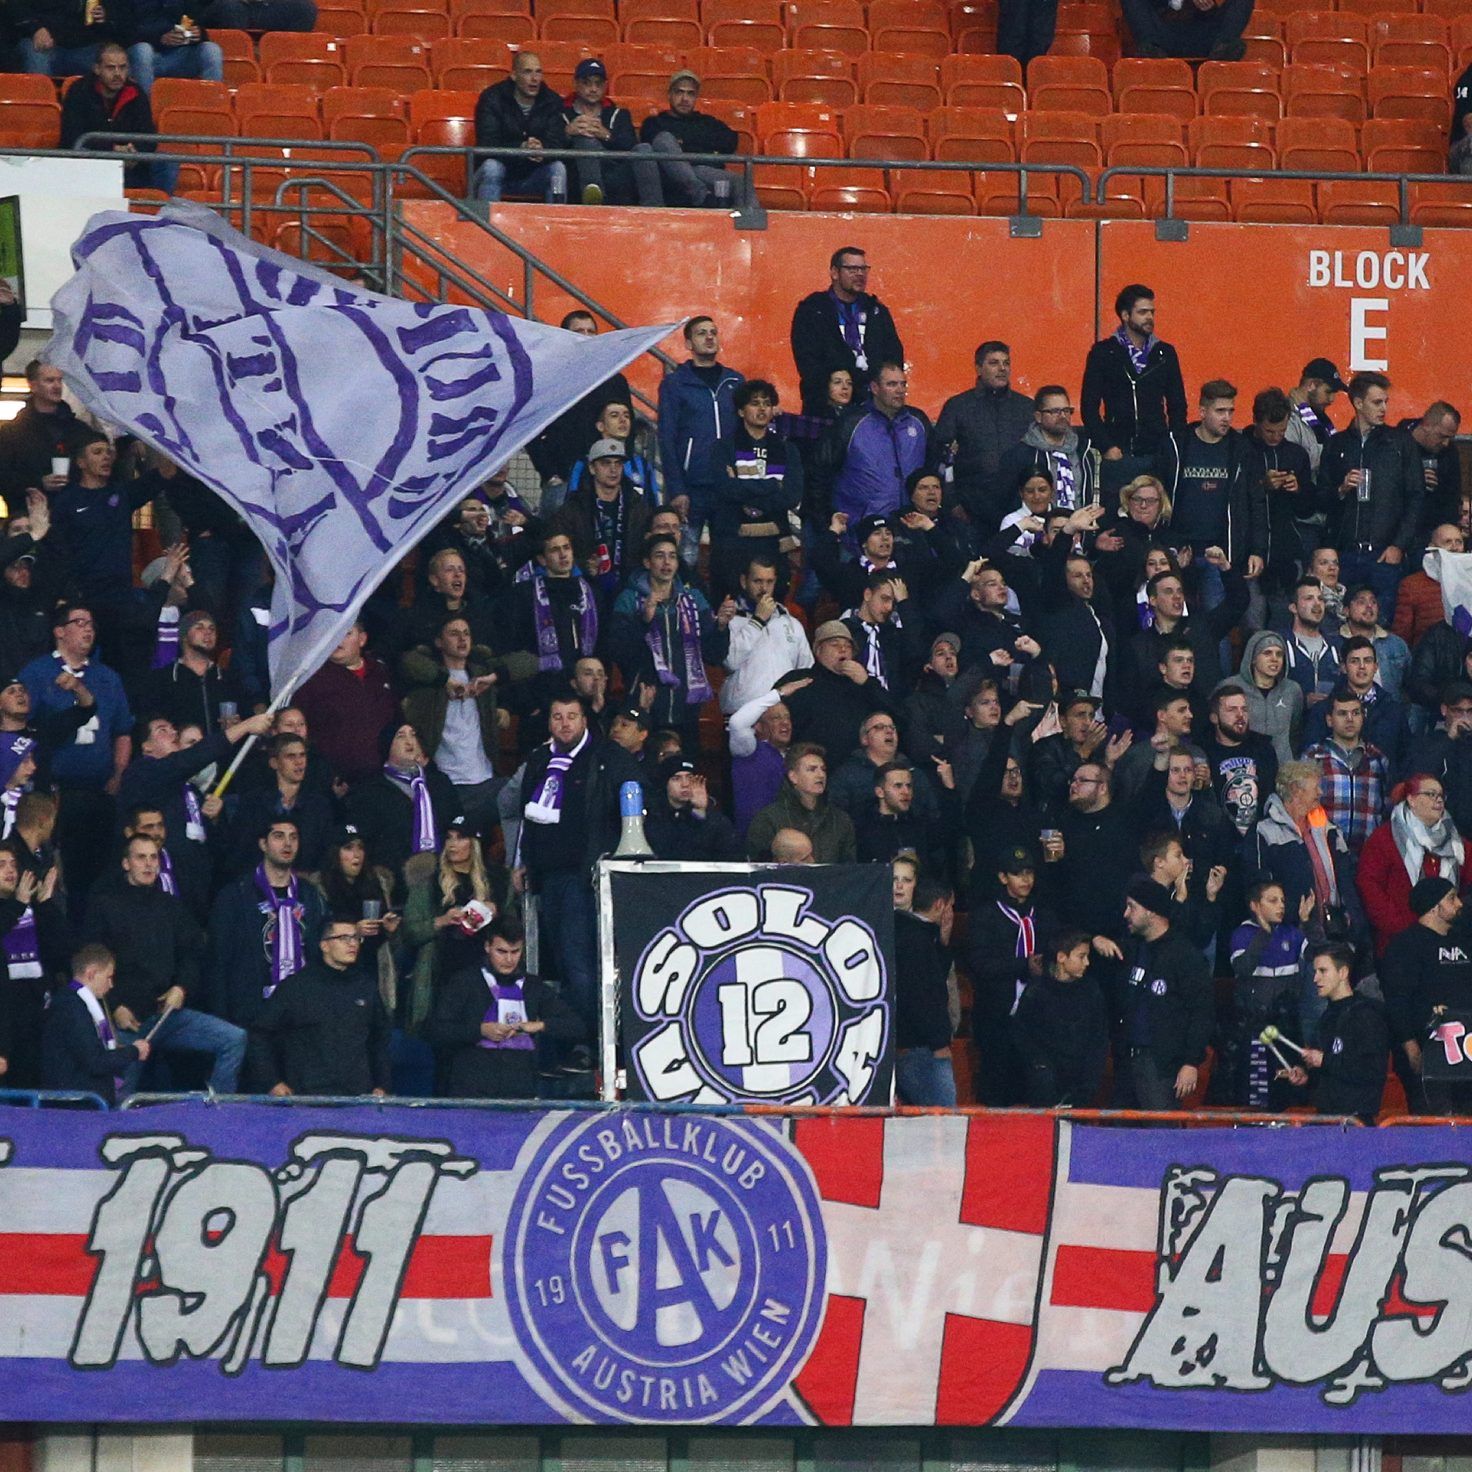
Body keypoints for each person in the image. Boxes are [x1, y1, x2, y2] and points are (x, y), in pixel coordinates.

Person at [514, 692, 637, 1062]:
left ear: (585, 720)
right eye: (557, 716)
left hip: (586, 880)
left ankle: (593, 1043)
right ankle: (574, 1042)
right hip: (548, 879)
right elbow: (527, 820)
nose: (564, 723)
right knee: (563, 966)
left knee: (581, 966)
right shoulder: (539, 759)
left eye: (571, 716)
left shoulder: (608, 758)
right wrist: (523, 863)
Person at [85, 830, 245, 1095]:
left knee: (234, 1039)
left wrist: (181, 988)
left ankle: (218, 1114)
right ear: (126, 864)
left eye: (153, 857)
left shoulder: (171, 906)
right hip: (125, 1021)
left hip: (167, 1016)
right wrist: (114, 1007)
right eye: (141, 858)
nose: (149, 864)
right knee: (120, 1097)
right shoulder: (104, 905)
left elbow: (193, 953)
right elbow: (89, 965)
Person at [20, 602, 133, 915]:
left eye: (92, 624)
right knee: (53, 875)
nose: (88, 629)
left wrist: (118, 773)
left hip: (98, 793)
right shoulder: (38, 672)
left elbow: (123, 731)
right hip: (54, 795)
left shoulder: (107, 677)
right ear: (59, 631)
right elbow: (20, 726)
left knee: (93, 876)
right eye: (79, 622)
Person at [204, 816, 327, 1077]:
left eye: (293, 837)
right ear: (262, 843)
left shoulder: (310, 894)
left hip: (299, 1013)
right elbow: (218, 961)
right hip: (251, 1012)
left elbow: (317, 950)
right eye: (279, 836)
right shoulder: (235, 895)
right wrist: (223, 1018)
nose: (288, 843)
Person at [426, 914, 582, 1100]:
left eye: (515, 952)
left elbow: (576, 1026)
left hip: (519, 1092)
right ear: (487, 947)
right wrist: (480, 1030)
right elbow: (435, 1030)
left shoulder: (533, 986)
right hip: (471, 1091)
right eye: (501, 951)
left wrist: (539, 1025)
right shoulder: (464, 982)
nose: (509, 959)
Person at [249, 919, 391, 1098]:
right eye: (344, 938)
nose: (352, 943)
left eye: (356, 938)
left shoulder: (365, 986)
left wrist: (382, 1085)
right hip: (307, 1097)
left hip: (358, 1097)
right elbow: (260, 1034)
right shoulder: (296, 987)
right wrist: (272, 1082)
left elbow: (379, 1038)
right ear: (324, 945)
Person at [610, 532, 730, 742]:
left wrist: (720, 627)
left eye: (672, 556)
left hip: (687, 707)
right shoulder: (629, 600)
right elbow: (620, 652)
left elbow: (713, 655)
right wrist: (644, 621)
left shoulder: (694, 599)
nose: (667, 562)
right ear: (647, 562)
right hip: (646, 705)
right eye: (659, 556)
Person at [1318, 370, 1424, 606]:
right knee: (1339, 620)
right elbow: (1321, 498)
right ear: (1358, 403)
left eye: (1386, 402)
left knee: (1381, 621)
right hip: (1344, 553)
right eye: (1377, 402)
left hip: (1384, 554)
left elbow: (1416, 497)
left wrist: (1399, 544)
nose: (1384, 408)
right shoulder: (1337, 444)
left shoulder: (1400, 443)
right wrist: (1341, 489)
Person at [1153, 378, 1267, 587]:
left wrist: (1257, 551)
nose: (1227, 418)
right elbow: (1157, 496)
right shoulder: (1175, 446)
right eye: (1220, 411)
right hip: (1179, 549)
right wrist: (1168, 544)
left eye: (1230, 411)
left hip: (1221, 552)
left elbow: (1257, 504)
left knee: (1219, 615)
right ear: (1203, 412)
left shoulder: (1242, 449)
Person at [402, 815, 504, 1039]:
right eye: (448, 838)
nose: (452, 844)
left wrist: (495, 913)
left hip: (485, 974)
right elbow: (409, 933)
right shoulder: (429, 885)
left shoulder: (496, 882)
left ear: (474, 844)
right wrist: (442, 921)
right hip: (443, 975)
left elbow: (513, 931)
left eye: (460, 838)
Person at [1080, 284, 1188, 495]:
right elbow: (1088, 407)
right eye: (1142, 312)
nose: (1149, 317)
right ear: (1125, 315)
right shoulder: (1104, 352)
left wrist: (1173, 445)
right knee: (1117, 516)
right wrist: (1107, 446)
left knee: (1157, 515)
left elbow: (1177, 405)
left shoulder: (1164, 353)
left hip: (1157, 453)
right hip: (1119, 453)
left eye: (1152, 312)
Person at [968, 845, 1055, 1105]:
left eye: (1029, 872)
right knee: (997, 1089)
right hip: (997, 1016)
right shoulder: (986, 917)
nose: (1026, 880)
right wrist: (1023, 965)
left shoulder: (1043, 916)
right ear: (1003, 877)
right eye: (1018, 874)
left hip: (1036, 1016)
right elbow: (980, 964)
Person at [1118, 876, 1214, 1109]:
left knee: (1159, 1137)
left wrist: (1191, 1062)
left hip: (1162, 1066)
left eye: (1132, 907)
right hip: (1127, 1062)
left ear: (1151, 911)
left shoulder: (1185, 956)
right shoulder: (1133, 949)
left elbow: (1202, 1012)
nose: (1125, 914)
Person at [400, 614, 503, 832]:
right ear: (439, 642)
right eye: (454, 634)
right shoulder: (429, 681)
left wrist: (494, 678)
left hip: (485, 780)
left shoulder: (481, 674)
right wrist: (444, 681)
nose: (462, 639)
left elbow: (531, 662)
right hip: (447, 784)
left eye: (466, 633)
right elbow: (407, 660)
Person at [1381, 876, 1472, 1114]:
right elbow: (1397, 1001)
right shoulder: (1405, 946)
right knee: (1433, 1122)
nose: (1459, 904)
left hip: (1467, 1054)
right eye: (1451, 899)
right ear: (1433, 907)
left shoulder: (1464, 941)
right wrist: (1411, 1049)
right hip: (1429, 1053)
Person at [656, 318, 743, 563]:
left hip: (728, 486)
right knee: (686, 557)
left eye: (713, 332)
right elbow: (667, 437)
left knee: (727, 559)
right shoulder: (675, 384)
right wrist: (677, 489)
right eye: (701, 333)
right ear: (688, 343)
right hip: (692, 487)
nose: (709, 337)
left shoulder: (735, 382)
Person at [1357, 773, 1471, 957]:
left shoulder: (1457, 842)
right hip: (1399, 941)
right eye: (1431, 794)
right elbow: (1369, 887)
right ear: (1411, 799)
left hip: (1447, 942)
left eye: (1441, 795)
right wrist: (1402, 927)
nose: (1438, 800)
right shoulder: (1384, 839)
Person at [709, 381, 804, 601]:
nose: (762, 409)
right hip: (733, 541)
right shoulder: (723, 447)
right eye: (754, 403)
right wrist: (772, 486)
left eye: (767, 404)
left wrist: (742, 488)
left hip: (773, 543)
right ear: (741, 411)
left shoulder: (787, 449)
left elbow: (791, 495)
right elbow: (725, 489)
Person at [1224, 878, 1313, 1109]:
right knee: (1254, 1098)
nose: (1281, 906)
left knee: (1286, 1095)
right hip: (1254, 1030)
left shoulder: (1293, 934)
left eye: (1282, 901)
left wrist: (1307, 923)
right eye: (1272, 900)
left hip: (1287, 1029)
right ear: (1254, 905)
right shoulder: (1242, 934)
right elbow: (1243, 969)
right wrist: (1264, 935)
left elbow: (1318, 956)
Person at [1278, 943, 1389, 1123]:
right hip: (1327, 1119)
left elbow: (1371, 1071)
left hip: (1355, 1123)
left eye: (1323, 971)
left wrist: (1324, 1060)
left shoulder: (1366, 1016)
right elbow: (1327, 1074)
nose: (1315, 978)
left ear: (1343, 973)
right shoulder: (1327, 1017)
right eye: (1315, 971)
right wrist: (1306, 1077)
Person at [790, 247, 906, 419]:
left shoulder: (876, 310)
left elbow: (893, 356)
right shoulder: (813, 310)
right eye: (852, 269)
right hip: (827, 410)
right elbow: (808, 362)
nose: (860, 274)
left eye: (863, 269)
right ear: (835, 272)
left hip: (874, 407)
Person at [1250, 760, 1359, 941]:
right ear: (1295, 790)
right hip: (1288, 934)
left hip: (1335, 931)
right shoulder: (1264, 832)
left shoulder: (1328, 828)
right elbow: (1258, 885)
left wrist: (1353, 917)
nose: (1320, 792)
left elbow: (1347, 877)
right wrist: (1292, 915)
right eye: (1316, 787)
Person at [817, 362, 933, 527]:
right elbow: (822, 471)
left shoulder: (918, 421)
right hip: (861, 529)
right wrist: (826, 517)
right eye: (892, 384)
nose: (900, 390)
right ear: (875, 388)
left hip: (912, 526)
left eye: (903, 384)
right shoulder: (850, 423)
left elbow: (932, 466)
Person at [933, 340, 1034, 519]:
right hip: (970, 509)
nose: (1002, 368)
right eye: (994, 363)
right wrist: (952, 503)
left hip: (1019, 508)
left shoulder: (1026, 407)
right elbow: (940, 459)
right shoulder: (958, 406)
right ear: (978, 369)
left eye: (1006, 363)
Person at [41, 943, 149, 1105]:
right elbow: (94, 1061)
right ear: (91, 973)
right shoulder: (72, 1007)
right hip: (76, 1105)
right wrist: (133, 1051)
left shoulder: (74, 1002)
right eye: (108, 977)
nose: (111, 985)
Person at [1013, 928, 1110, 1107]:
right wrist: (1040, 1068)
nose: (1087, 963)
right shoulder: (1037, 991)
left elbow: (1099, 1038)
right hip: (1044, 1087)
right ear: (1061, 957)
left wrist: (1091, 1080)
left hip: (1082, 1086)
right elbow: (1023, 1035)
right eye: (1081, 956)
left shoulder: (1091, 990)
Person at [346, 722, 454, 881]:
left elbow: (456, 824)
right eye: (400, 736)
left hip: (444, 874)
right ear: (387, 746)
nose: (409, 741)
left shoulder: (439, 782)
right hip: (395, 876)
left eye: (413, 734)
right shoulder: (370, 790)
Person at [293, 622, 398, 786]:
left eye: (346, 633)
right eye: (333, 633)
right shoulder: (311, 678)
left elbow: (396, 718)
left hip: (385, 778)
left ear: (362, 639)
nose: (338, 640)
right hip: (335, 780)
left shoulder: (380, 671)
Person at [776, 620, 894, 764]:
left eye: (848, 646)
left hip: (854, 772)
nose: (843, 649)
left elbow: (896, 716)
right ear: (818, 650)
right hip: (807, 768)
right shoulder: (798, 680)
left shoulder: (862, 686)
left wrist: (867, 682)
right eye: (835, 644)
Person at [0, 838, 67, 1089]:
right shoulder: (17, 905)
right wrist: (17, 905)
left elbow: (61, 949)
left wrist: (46, 904)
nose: (9, 871)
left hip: (34, 1009)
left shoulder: (29, 905)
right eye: (1, 864)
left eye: (13, 865)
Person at [59, 44, 171, 192]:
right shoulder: (79, 90)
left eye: (122, 67)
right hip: (90, 162)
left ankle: (154, 209)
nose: (118, 74)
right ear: (97, 69)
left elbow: (148, 135)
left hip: (129, 164)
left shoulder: (137, 93)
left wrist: (135, 152)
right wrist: (112, 150)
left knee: (167, 162)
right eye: (111, 68)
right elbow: (71, 137)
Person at [892, 876, 958, 1107]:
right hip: (922, 1049)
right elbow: (922, 997)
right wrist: (939, 1043)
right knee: (944, 1125)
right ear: (940, 905)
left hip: (912, 1047)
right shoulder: (915, 941)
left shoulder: (914, 935)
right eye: (950, 906)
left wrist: (943, 943)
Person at [472, 51, 568, 205]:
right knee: (492, 168)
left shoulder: (552, 101)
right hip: (497, 171)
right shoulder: (492, 98)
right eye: (527, 72)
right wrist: (520, 149)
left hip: (533, 174)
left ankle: (555, 222)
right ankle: (486, 225)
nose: (534, 79)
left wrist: (543, 150)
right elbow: (487, 144)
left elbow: (558, 142)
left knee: (558, 170)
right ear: (514, 75)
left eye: (538, 72)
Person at [638, 69, 744, 208]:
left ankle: (753, 226)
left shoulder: (707, 122)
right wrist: (704, 147)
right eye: (679, 92)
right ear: (670, 95)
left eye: (690, 93)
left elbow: (731, 142)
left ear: (696, 98)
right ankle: (700, 194)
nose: (684, 99)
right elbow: (654, 147)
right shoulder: (654, 123)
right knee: (664, 138)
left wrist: (683, 144)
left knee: (740, 181)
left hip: (702, 171)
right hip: (669, 176)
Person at [1301, 692, 1389, 857]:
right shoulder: (1313, 756)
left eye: (1356, 713)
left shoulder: (1377, 758)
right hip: (1323, 853)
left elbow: (1385, 811)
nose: (1350, 719)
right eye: (1342, 713)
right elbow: (1300, 807)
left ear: (1363, 717)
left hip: (1369, 855)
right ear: (1329, 720)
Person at [560, 57, 656, 207]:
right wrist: (567, 132)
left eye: (598, 84)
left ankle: (654, 210)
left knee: (644, 149)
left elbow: (630, 145)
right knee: (585, 140)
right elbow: (549, 146)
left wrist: (606, 135)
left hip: (616, 171)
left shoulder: (619, 114)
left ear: (605, 86)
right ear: (576, 84)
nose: (593, 89)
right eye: (587, 83)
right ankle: (593, 201)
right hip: (577, 173)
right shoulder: (560, 114)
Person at [721, 556, 812, 714]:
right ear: (744, 581)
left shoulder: (791, 623)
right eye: (758, 581)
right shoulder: (730, 621)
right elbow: (731, 662)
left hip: (784, 712)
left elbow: (806, 670)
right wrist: (758, 621)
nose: (764, 588)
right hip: (744, 711)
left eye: (769, 582)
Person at [998, 384, 1101, 517]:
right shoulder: (1019, 455)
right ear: (1038, 416)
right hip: (1037, 532)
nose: (1063, 416)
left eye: (1066, 410)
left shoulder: (1084, 451)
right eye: (1055, 411)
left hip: (1080, 531)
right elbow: (1008, 502)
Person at [746, 742, 856, 863]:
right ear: (793, 776)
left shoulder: (840, 820)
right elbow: (759, 866)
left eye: (823, 769)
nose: (820, 775)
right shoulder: (768, 819)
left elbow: (849, 870)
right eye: (812, 769)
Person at [0, 360, 92, 505]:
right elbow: (4, 477)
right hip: (28, 514)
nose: (57, 386)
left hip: (74, 514)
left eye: (59, 380)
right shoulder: (11, 434)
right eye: (49, 380)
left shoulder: (80, 431)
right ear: (33, 385)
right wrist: (38, 482)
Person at [1219, 629, 1301, 766]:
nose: (1275, 659)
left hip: (1284, 771)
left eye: (1279, 654)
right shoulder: (1230, 687)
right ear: (1253, 658)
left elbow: (1295, 730)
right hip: (1243, 768)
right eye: (1267, 653)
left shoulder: (1292, 690)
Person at [643, 752, 740, 860]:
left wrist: (700, 813)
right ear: (665, 784)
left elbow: (728, 856)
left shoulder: (716, 820)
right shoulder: (652, 819)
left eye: (690, 777)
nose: (685, 784)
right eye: (676, 778)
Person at [727, 688, 795, 837]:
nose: (785, 723)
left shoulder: (796, 756)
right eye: (776, 718)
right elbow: (737, 723)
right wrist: (778, 694)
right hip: (756, 839)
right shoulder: (749, 750)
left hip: (790, 839)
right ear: (758, 726)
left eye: (787, 717)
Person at [128, 0, 223, 92]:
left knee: (211, 49)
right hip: (141, 58)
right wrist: (159, 38)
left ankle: (212, 103)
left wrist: (198, 33)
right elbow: (122, 32)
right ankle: (143, 105)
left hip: (179, 55)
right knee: (143, 50)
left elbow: (197, 20)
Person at [1395, 523, 1464, 650]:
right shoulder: (1412, 585)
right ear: (1432, 547)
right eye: (1448, 542)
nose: (1455, 547)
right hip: (1428, 659)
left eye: (1459, 542)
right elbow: (1402, 634)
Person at [1281, 576, 1344, 705]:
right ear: (1293, 608)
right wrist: (1303, 701)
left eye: (1320, 599)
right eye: (1309, 598)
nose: (1317, 604)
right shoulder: (1279, 643)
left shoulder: (1337, 645)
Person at [1120, 0, 1251, 58]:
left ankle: (1225, 46)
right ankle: (1150, 49)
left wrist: (1208, 6)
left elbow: (1215, 15)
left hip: (1206, 38)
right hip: (1161, 36)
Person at [1286, 357, 1346, 471]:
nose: (1332, 399)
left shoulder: (1320, 418)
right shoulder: (1286, 415)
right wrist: (1338, 455)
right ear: (1311, 385)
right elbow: (1292, 463)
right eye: (1328, 392)